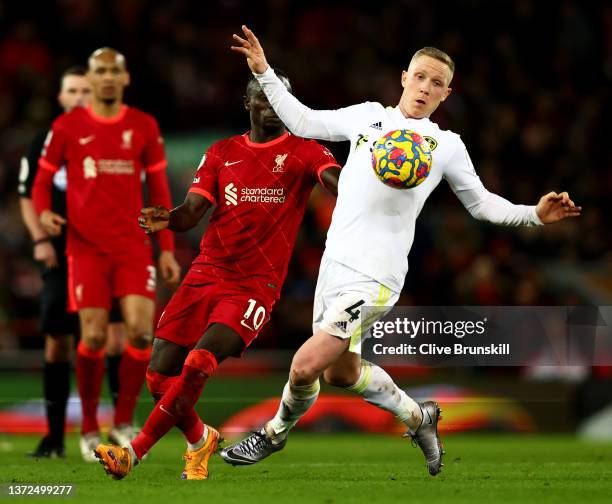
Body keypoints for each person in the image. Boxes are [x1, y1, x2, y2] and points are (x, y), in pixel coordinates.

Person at [221, 26, 582, 476]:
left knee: (304, 365)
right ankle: (419, 417)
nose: (426, 88)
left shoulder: (446, 146)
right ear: (404, 77)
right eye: (421, 77)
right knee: (339, 373)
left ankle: (272, 433)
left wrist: (533, 214)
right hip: (335, 264)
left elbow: (482, 204)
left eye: (437, 83)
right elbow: (303, 121)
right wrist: (265, 70)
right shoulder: (367, 118)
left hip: (377, 276)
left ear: (446, 94)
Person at [93, 68, 341, 480]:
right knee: (158, 374)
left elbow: (337, 182)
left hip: (254, 285)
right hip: (206, 273)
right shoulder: (223, 151)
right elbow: (191, 213)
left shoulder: (305, 151)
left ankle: (132, 454)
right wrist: (165, 219)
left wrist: (365, 182)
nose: (272, 105)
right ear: (248, 103)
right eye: (263, 97)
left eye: (280, 97)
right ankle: (200, 438)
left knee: (198, 362)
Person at [32, 48, 181, 462]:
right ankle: (88, 428)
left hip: (133, 246)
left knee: (139, 333)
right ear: (92, 79)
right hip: (85, 249)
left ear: (125, 78)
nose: (108, 78)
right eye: (101, 71)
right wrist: (45, 212)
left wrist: (165, 248)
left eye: (115, 70)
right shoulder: (66, 126)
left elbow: (160, 192)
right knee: (94, 336)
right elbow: (43, 183)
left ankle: (121, 422)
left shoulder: (144, 126)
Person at [18, 66, 126, 458]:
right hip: (61, 256)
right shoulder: (45, 140)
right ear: (61, 97)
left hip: (103, 254)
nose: (80, 96)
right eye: (73, 90)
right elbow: (28, 195)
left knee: (112, 339)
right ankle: (53, 438)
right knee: (58, 343)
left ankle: (115, 433)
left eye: (86, 89)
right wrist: (41, 239)